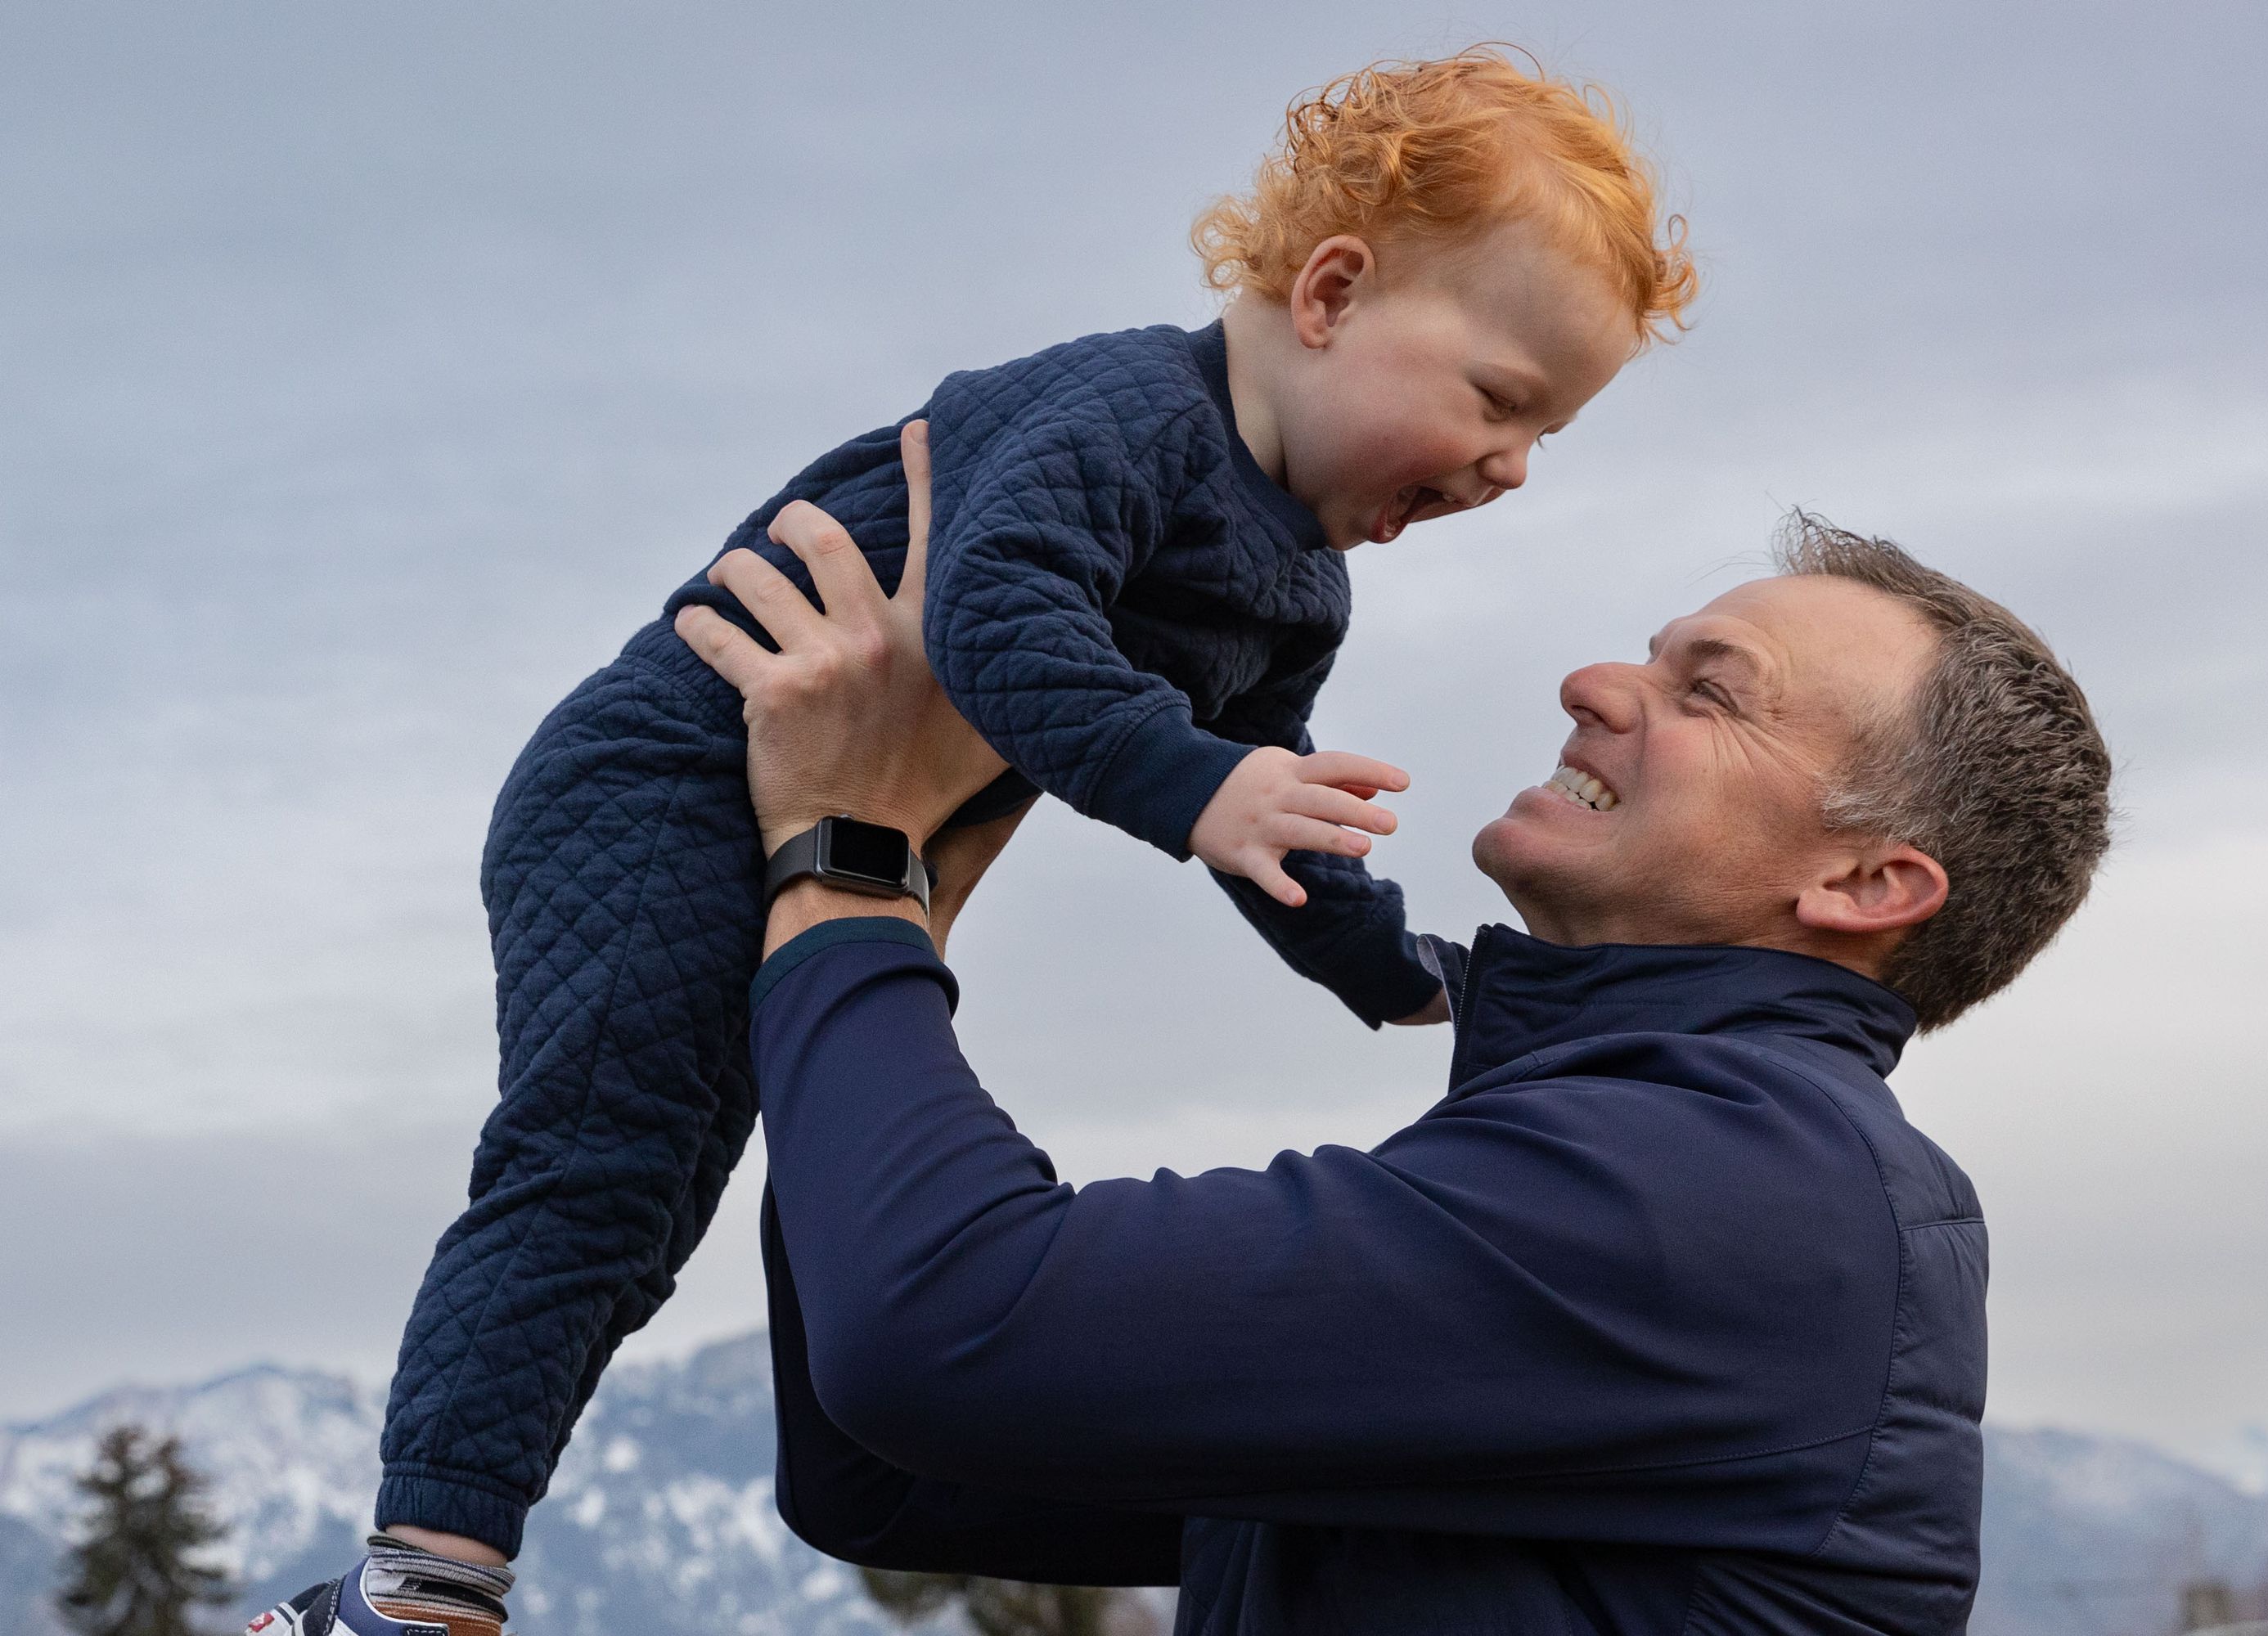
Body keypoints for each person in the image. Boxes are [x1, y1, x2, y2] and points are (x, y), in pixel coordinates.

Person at [246, 47, 1696, 1636]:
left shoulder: (1301, 586)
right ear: (1334, 295)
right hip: (664, 779)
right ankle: (409, 1589)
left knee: (653, 1213)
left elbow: (1266, 804)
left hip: (825, 827)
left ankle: (428, 1574)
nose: (1511, 466)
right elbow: (991, 619)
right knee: (596, 1179)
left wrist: (1405, 974)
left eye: (1548, 435)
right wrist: (1192, 781)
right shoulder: (1128, 413)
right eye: (1500, 400)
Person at [699, 431, 2106, 1633]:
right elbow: (885, 1465)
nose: (1597, 684)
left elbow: (942, 1327)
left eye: (1710, 692)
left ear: (1866, 884)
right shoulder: (1648, 1170)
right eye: (1655, 655)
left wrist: (852, 858)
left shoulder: (1743, 1197)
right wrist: (906, 873)